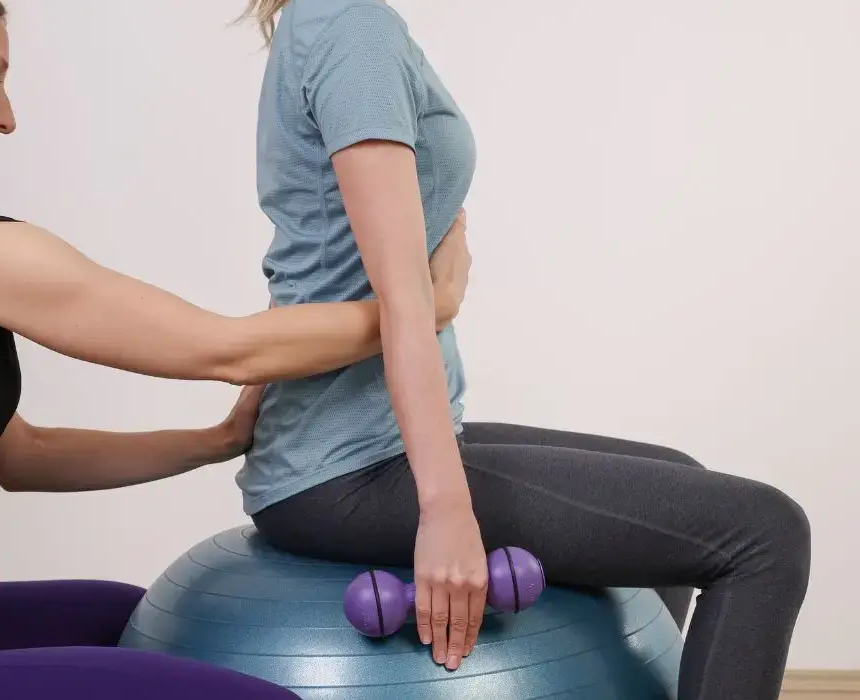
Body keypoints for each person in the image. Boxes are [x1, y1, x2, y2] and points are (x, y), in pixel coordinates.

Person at [0, 2, 472, 699]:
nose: (5, 116)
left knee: (146, 618)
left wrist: (215, 440)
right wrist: (422, 306)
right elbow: (227, 348)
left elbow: (21, 457)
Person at [235, 1, 812, 699]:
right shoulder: (351, 26)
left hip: (338, 446)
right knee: (765, 535)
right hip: (347, 467)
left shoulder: (320, 20)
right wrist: (445, 512)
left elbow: (307, 258)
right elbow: (403, 299)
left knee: (678, 476)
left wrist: (249, 418)